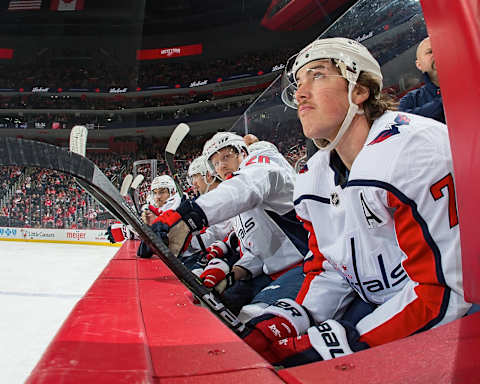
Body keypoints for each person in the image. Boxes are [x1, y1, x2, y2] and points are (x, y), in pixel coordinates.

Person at [241, 37, 470, 367]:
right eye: (298, 82)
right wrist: (294, 317)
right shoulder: (314, 174)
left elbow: (445, 292)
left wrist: (346, 342)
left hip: (452, 313)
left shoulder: (414, 150)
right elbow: (332, 267)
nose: (300, 93)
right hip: (387, 302)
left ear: (359, 91)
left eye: (317, 75)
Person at [154, 132, 309, 321]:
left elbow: (249, 184)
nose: (222, 166)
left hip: (305, 267)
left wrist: (191, 217)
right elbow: (258, 251)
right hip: (271, 273)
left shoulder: (262, 164)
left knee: (249, 320)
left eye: (226, 157)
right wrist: (232, 275)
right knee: (216, 308)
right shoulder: (239, 204)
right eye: (216, 163)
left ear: (243, 153)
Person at [399, 37, 445, 123]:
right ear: (419, 65)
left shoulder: (471, 82)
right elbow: (401, 122)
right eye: (430, 52)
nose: (437, 53)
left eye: (440, 48)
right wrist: (444, 102)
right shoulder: (410, 100)